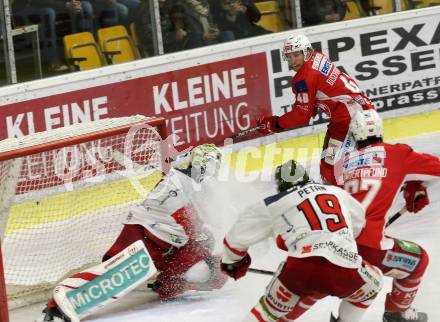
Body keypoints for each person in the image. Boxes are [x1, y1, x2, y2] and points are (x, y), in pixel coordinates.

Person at [39, 143, 228, 322]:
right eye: (211, 166)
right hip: (144, 234)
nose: (213, 172)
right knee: (116, 276)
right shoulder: (180, 183)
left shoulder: (188, 181)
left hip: (157, 239)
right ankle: (60, 303)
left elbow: (200, 221)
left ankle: (168, 284)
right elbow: (181, 221)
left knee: (205, 257)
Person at [221, 160, 383, 322]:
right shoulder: (335, 192)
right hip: (345, 267)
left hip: (299, 269)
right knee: (374, 284)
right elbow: (358, 222)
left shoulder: (273, 202)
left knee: (266, 313)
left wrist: (232, 262)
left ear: (281, 185)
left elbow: (235, 239)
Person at [337, 109, 439, 322]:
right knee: (418, 260)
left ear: (354, 135)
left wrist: (413, 184)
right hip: (369, 248)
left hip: (338, 244)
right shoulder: (397, 154)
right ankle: (397, 314)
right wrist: (416, 184)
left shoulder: (343, 164)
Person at [258, 34, 376, 185]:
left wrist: (276, 124)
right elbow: (322, 90)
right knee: (348, 161)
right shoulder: (318, 57)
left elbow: (301, 116)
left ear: (306, 52)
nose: (293, 61)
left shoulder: (303, 78)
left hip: (348, 119)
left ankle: (340, 200)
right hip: (362, 108)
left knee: (330, 169)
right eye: (289, 56)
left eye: (296, 55)